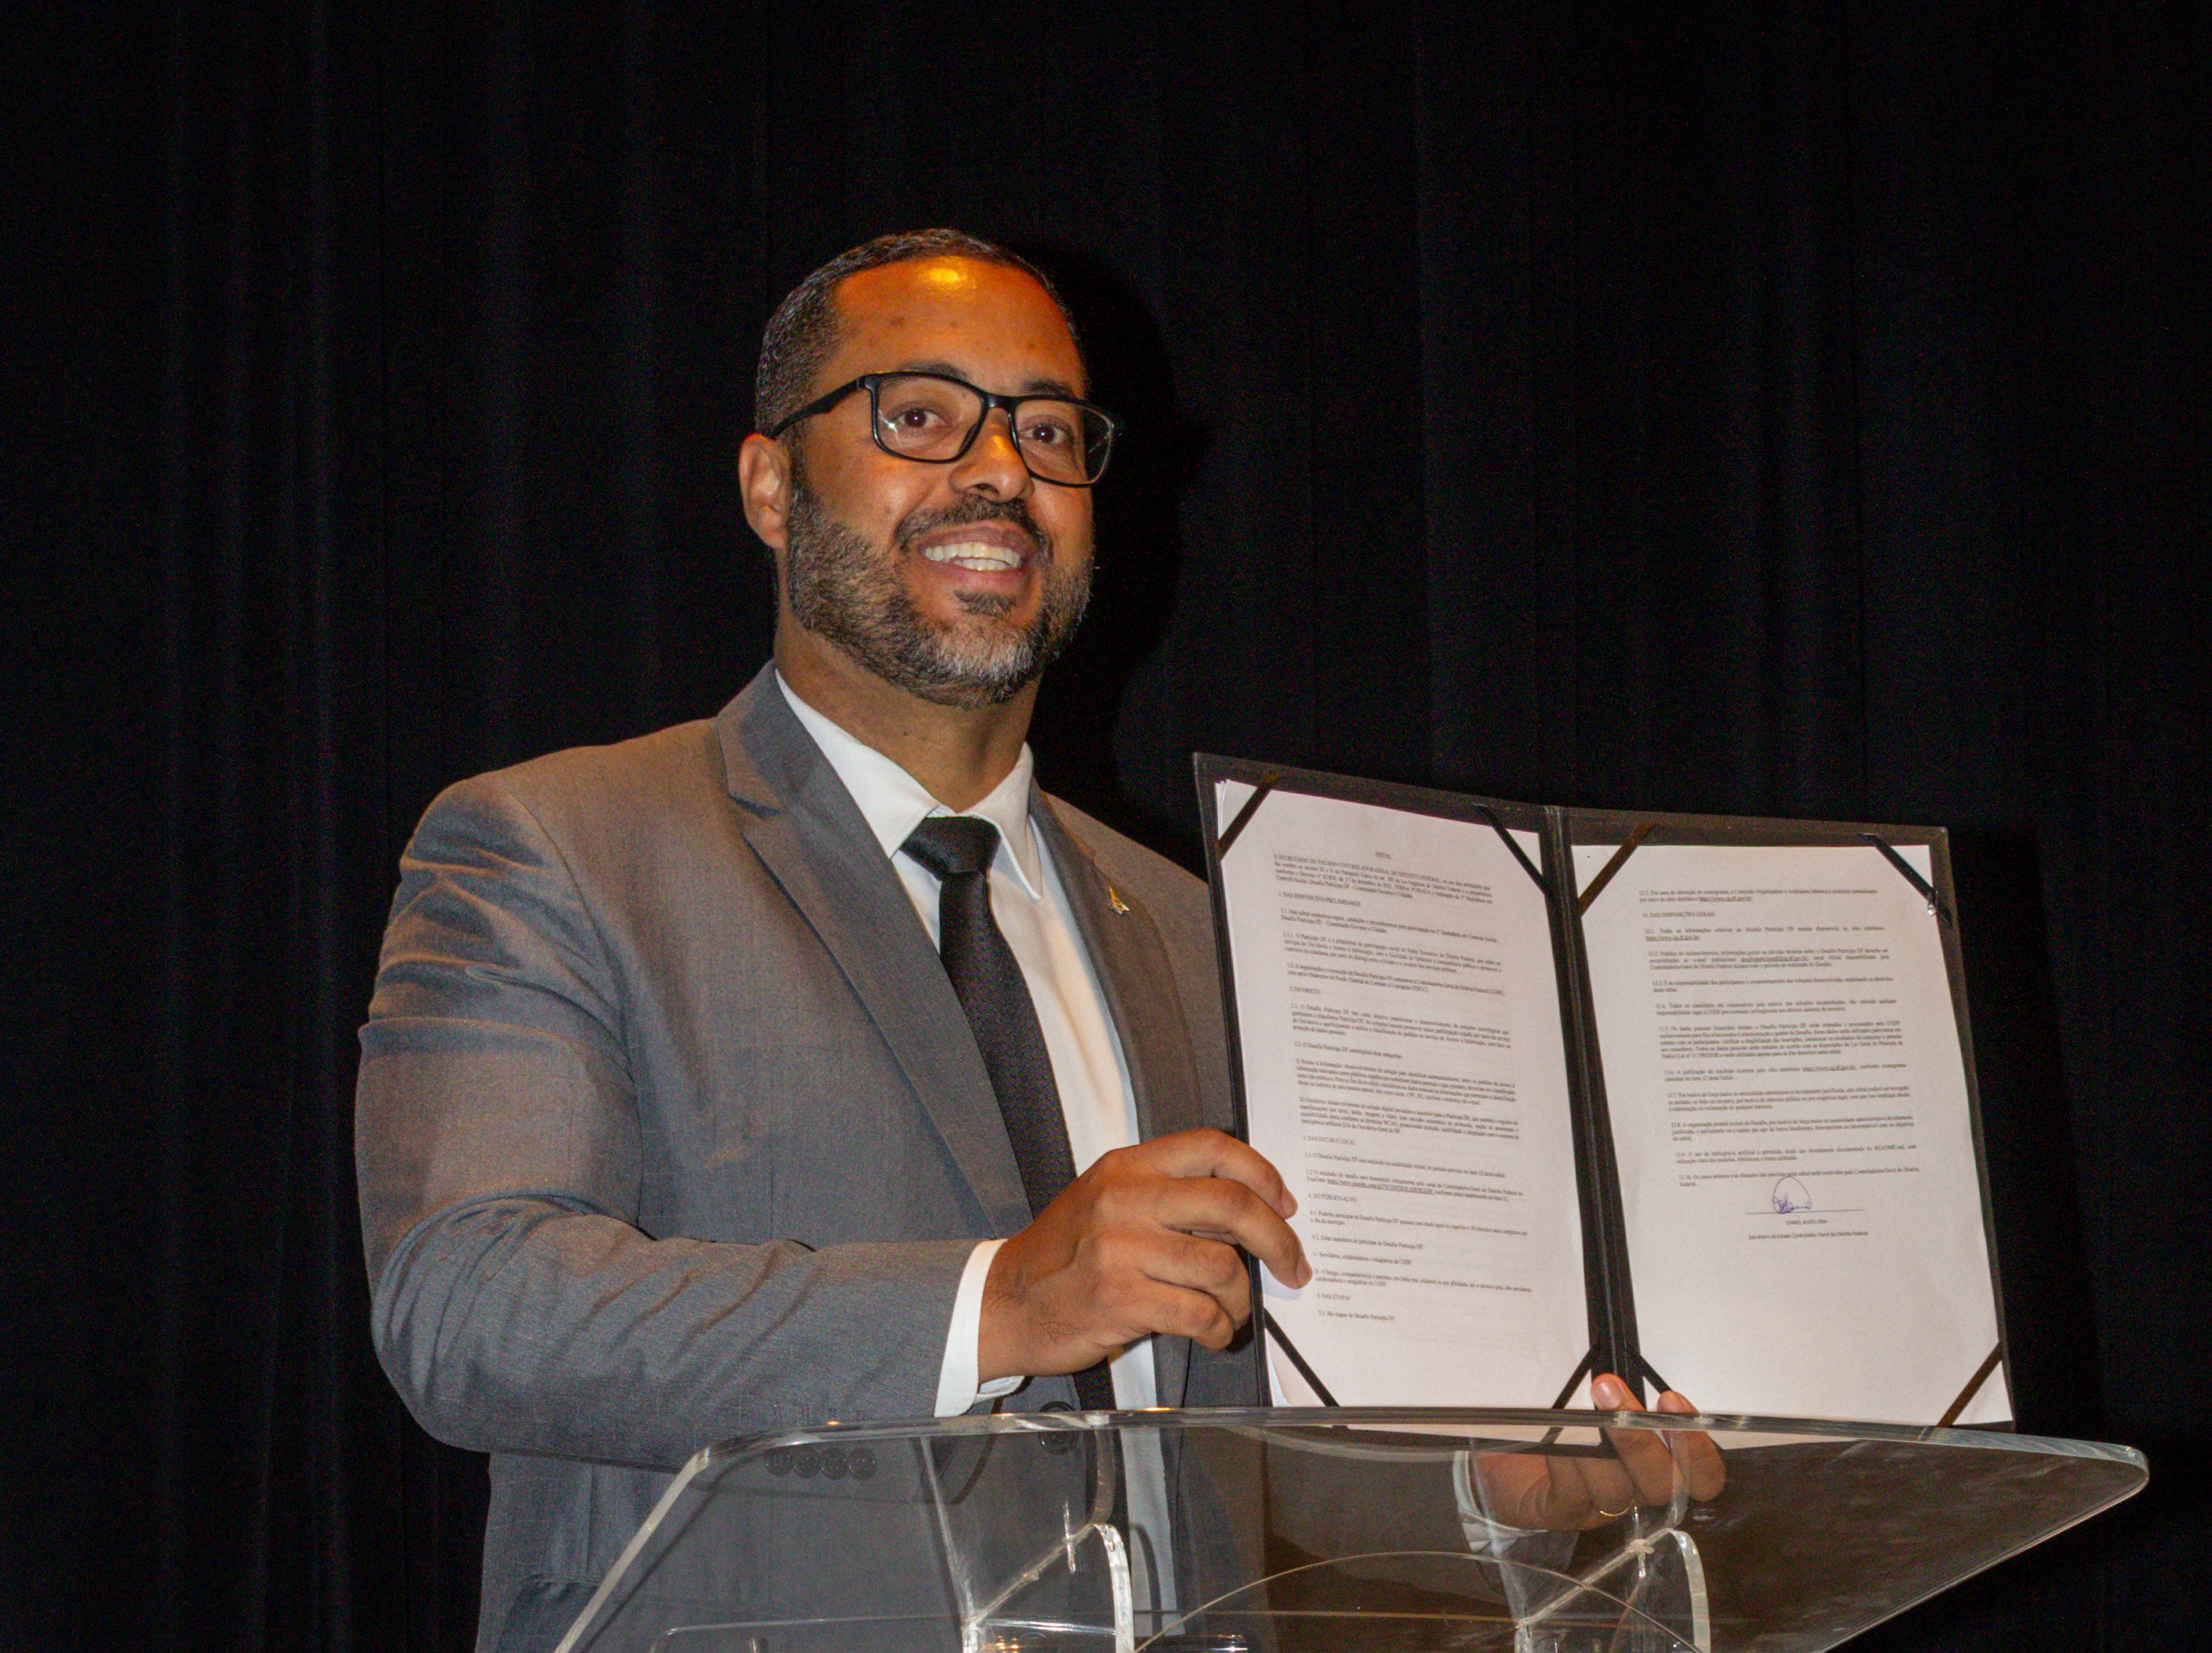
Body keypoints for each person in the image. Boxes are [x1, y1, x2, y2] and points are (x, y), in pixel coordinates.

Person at [356, 228, 1713, 1653]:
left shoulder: (1199, 927)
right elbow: (473, 1308)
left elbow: (1227, 1443)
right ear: (770, 484)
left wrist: (1474, 1495)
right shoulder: (561, 844)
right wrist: (993, 1304)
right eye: (919, 416)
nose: (999, 470)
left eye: (1049, 431)